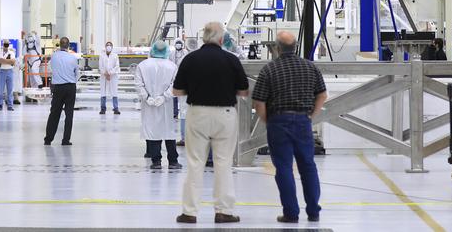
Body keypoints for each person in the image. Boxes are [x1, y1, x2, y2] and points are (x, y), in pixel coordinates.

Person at [173, 21, 250, 225]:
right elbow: (243, 91)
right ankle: (224, 211)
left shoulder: (190, 59)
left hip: (197, 113)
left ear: (204, 37)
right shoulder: (231, 60)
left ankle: (189, 212)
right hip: (225, 114)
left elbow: (177, 91)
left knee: (194, 163)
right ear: (220, 38)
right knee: (223, 163)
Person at [251, 30, 327, 224]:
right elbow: (322, 95)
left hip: (278, 121)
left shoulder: (269, 69)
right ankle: (313, 212)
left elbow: (258, 102)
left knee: (284, 168)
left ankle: (291, 214)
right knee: (308, 167)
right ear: (295, 47)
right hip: (303, 121)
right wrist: (311, 115)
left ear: (276, 47)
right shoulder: (310, 67)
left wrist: (269, 120)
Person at [138, 40, 181, 169]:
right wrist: (164, 97)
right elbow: (175, 85)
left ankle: (156, 161)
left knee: (153, 131)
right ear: (167, 51)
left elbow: (138, 85)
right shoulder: (172, 66)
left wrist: (147, 98)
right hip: (166, 104)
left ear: (152, 50)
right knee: (168, 132)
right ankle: (173, 161)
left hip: (149, 104)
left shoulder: (143, 65)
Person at [44, 36, 79, 145]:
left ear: (59, 44)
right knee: (69, 114)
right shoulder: (73, 58)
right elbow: (76, 74)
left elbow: (51, 70)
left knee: (54, 113)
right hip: (70, 88)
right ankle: (65, 140)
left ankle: (48, 139)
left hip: (58, 88)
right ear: (68, 46)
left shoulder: (53, 57)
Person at [99, 42, 121, 115]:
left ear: (112, 47)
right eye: (107, 45)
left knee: (114, 92)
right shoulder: (102, 56)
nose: (108, 46)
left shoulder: (115, 56)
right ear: (105, 47)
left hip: (113, 77)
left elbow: (117, 66)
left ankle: (116, 108)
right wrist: (105, 73)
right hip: (104, 76)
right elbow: (100, 66)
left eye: (110, 45)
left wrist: (110, 73)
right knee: (103, 92)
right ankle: (103, 108)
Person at [0, 40, 17, 111]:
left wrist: (4, 61)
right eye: (5, 44)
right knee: (0, 90)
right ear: (3, 44)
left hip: (10, 71)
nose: (6, 46)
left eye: (7, 44)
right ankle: (0, 105)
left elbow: (13, 62)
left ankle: (10, 106)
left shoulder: (11, 52)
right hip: (2, 71)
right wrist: (9, 61)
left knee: (10, 90)